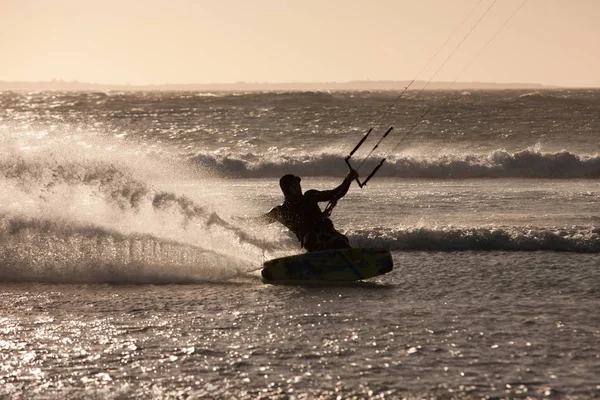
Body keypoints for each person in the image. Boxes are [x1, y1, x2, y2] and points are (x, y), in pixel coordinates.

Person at [261, 170, 359, 252]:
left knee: (340, 240)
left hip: (328, 235)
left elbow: (334, 194)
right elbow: (259, 221)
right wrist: (244, 227)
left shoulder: (310, 196)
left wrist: (348, 180)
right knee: (311, 237)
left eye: (298, 184)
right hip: (311, 243)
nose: (298, 187)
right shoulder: (281, 211)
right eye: (293, 186)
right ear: (286, 190)